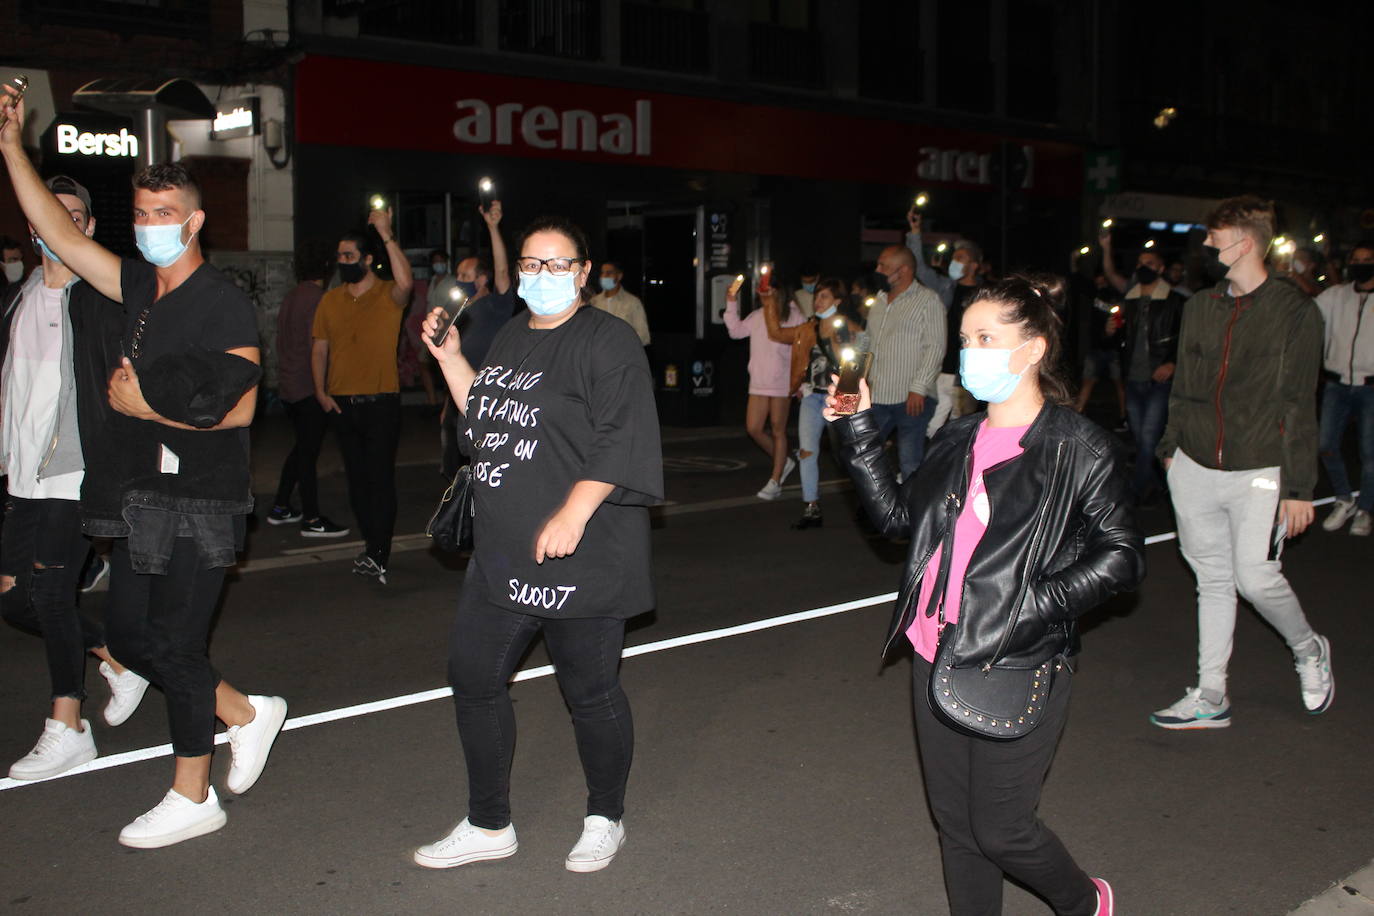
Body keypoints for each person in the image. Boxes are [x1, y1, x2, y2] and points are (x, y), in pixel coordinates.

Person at [3, 89, 289, 849]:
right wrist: (10, 148)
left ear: (195, 221)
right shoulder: (133, 287)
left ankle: (192, 793)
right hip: (137, 499)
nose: (154, 227)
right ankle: (247, 712)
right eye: (144, 215)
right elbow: (59, 234)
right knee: (131, 639)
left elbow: (243, 411)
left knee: (177, 643)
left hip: (199, 499)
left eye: (168, 215)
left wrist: (146, 412)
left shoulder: (220, 302)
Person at [829, 275, 1143, 916]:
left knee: (1002, 829)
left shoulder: (1078, 447)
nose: (969, 353)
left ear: (1031, 349)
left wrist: (1030, 607)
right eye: (966, 339)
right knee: (957, 829)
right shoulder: (957, 437)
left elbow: (1121, 558)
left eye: (986, 338)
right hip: (932, 651)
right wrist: (858, 430)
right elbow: (897, 521)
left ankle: (1086, 903)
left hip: (1017, 658)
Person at [415, 215, 662, 874]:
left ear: (584, 273)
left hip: (582, 549)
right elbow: (489, 418)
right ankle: (489, 823)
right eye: (530, 264)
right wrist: (451, 360)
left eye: (557, 265)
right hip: (503, 548)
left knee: (590, 691)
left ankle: (605, 815)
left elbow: (620, 434)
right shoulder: (507, 336)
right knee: (474, 676)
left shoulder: (607, 341)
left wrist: (575, 511)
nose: (541, 276)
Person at [1151, 195, 1333, 729]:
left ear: (1245, 242)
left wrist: (1299, 487)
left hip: (1260, 469)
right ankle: (1211, 693)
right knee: (1211, 579)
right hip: (1194, 465)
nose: (1206, 246)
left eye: (1215, 237)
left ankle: (1308, 649)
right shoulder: (1200, 307)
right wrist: (1170, 450)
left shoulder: (1296, 312)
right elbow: (1184, 386)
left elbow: (1301, 401)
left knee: (1255, 578)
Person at [1, 175, 150, 781]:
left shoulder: (97, 302)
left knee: (53, 594)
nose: (60, 225)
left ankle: (68, 726)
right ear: (34, 226)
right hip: (21, 473)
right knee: (15, 597)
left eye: (75, 216)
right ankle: (115, 656)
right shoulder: (18, 296)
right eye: (48, 215)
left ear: (86, 229)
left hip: (73, 473)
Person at [311, 212, 414, 583]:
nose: (343, 262)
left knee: (380, 479)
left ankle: (379, 551)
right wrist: (321, 391)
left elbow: (407, 281)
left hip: (381, 403)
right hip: (342, 403)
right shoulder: (330, 301)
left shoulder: (388, 293)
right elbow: (319, 348)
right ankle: (372, 545)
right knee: (356, 481)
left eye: (350, 256)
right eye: (339, 257)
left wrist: (387, 234)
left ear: (368, 259)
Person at [761, 277, 866, 528]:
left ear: (838, 301)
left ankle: (866, 503)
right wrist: (768, 302)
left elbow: (859, 361)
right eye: (817, 297)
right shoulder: (809, 328)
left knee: (847, 454)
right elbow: (776, 332)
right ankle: (811, 507)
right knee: (807, 451)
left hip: (840, 398)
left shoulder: (852, 328)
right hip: (811, 396)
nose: (817, 302)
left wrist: (837, 336)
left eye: (824, 297)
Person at [265, 238, 349, 537]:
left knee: (301, 449)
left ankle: (280, 506)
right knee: (308, 453)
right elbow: (320, 347)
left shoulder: (292, 296)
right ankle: (312, 518)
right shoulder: (318, 299)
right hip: (309, 387)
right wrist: (324, 389)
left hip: (290, 386)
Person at [1102, 235, 1186, 503]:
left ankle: (1134, 492)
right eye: (1140, 263)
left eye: (1149, 263)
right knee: (1142, 439)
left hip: (1159, 379)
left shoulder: (1175, 302)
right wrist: (1112, 330)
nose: (1143, 267)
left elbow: (1185, 338)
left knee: (1149, 436)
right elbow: (1122, 339)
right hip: (1134, 378)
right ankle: (1160, 483)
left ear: (1160, 268)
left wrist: (1172, 363)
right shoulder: (1131, 300)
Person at [437, 200, 516, 479]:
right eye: (457, 275)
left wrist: (492, 227)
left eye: (465, 276)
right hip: (458, 404)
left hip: (489, 404)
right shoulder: (459, 313)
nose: (459, 280)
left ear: (482, 279)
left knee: (484, 470)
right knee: (455, 475)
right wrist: (447, 407)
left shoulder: (497, 305)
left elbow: (503, 272)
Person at [865, 244, 945, 479]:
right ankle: (885, 507)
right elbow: (869, 344)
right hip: (878, 396)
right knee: (864, 457)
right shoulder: (878, 301)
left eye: (884, 266)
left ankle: (913, 514)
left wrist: (918, 388)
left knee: (910, 463)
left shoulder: (928, 300)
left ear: (904, 270)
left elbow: (935, 347)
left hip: (910, 398)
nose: (878, 270)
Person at [722, 274, 801, 500]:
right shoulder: (757, 316)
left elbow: (800, 351)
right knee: (754, 428)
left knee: (778, 429)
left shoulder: (794, 316)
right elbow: (735, 331)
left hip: (782, 382)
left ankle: (775, 481)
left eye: (767, 289)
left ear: (778, 291)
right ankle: (783, 460)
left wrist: (799, 383)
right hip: (758, 381)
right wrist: (730, 300)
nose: (762, 292)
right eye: (761, 289)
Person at [1315, 242, 1374, 536]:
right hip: (1336, 383)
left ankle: (1365, 509)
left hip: (1370, 386)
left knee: (1369, 453)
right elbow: (1308, 308)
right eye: (1357, 259)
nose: (1362, 264)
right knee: (1325, 444)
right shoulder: (1336, 296)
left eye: (1368, 260)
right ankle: (1343, 498)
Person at [907, 208, 981, 435]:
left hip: (967, 370)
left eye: (961, 258)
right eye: (954, 257)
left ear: (974, 265)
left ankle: (951, 466)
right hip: (941, 366)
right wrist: (915, 231)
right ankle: (928, 464)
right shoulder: (946, 286)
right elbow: (918, 266)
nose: (955, 262)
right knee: (932, 420)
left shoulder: (985, 294)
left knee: (961, 422)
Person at [1071, 273, 1127, 431]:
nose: (1100, 281)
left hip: (1114, 348)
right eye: (1098, 278)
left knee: (1119, 384)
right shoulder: (1093, 295)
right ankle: (1077, 416)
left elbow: (1122, 322)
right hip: (1096, 347)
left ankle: (1124, 418)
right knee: (1088, 382)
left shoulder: (1118, 295)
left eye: (1103, 278)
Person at [590, 260, 650, 347]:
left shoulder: (632, 302)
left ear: (619, 276)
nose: (604, 276)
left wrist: (621, 343)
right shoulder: (594, 302)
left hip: (624, 355)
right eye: (602, 273)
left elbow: (644, 336)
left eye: (609, 273)